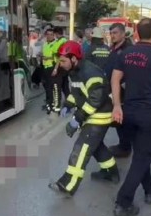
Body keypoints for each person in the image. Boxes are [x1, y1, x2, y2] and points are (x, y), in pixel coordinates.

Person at [111, 18, 151, 216]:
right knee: (142, 158)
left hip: (128, 112)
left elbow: (115, 79)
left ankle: (150, 190)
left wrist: (116, 105)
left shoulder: (126, 53)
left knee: (141, 152)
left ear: (136, 33)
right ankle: (123, 202)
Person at [48, 41, 119, 196]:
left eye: (63, 61)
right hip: (93, 115)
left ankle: (67, 184)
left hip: (99, 117)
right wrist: (67, 104)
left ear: (74, 59)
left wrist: (78, 119)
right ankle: (111, 171)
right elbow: (77, 93)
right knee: (96, 146)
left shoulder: (90, 72)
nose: (60, 64)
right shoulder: (76, 71)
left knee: (81, 150)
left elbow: (96, 99)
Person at [106, 23, 133, 157]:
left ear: (123, 33)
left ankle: (125, 147)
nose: (112, 35)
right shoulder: (113, 48)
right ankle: (123, 144)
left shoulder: (128, 49)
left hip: (122, 90)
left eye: (115, 33)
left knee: (122, 120)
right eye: (111, 33)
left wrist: (123, 85)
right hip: (113, 88)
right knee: (118, 120)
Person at [40, 28, 59, 113]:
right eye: (48, 34)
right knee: (46, 87)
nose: (49, 36)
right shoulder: (45, 44)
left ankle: (53, 105)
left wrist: (48, 58)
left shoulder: (55, 44)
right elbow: (44, 54)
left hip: (52, 67)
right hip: (45, 67)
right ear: (45, 35)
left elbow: (58, 57)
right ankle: (48, 103)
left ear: (53, 35)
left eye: (51, 34)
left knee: (52, 87)